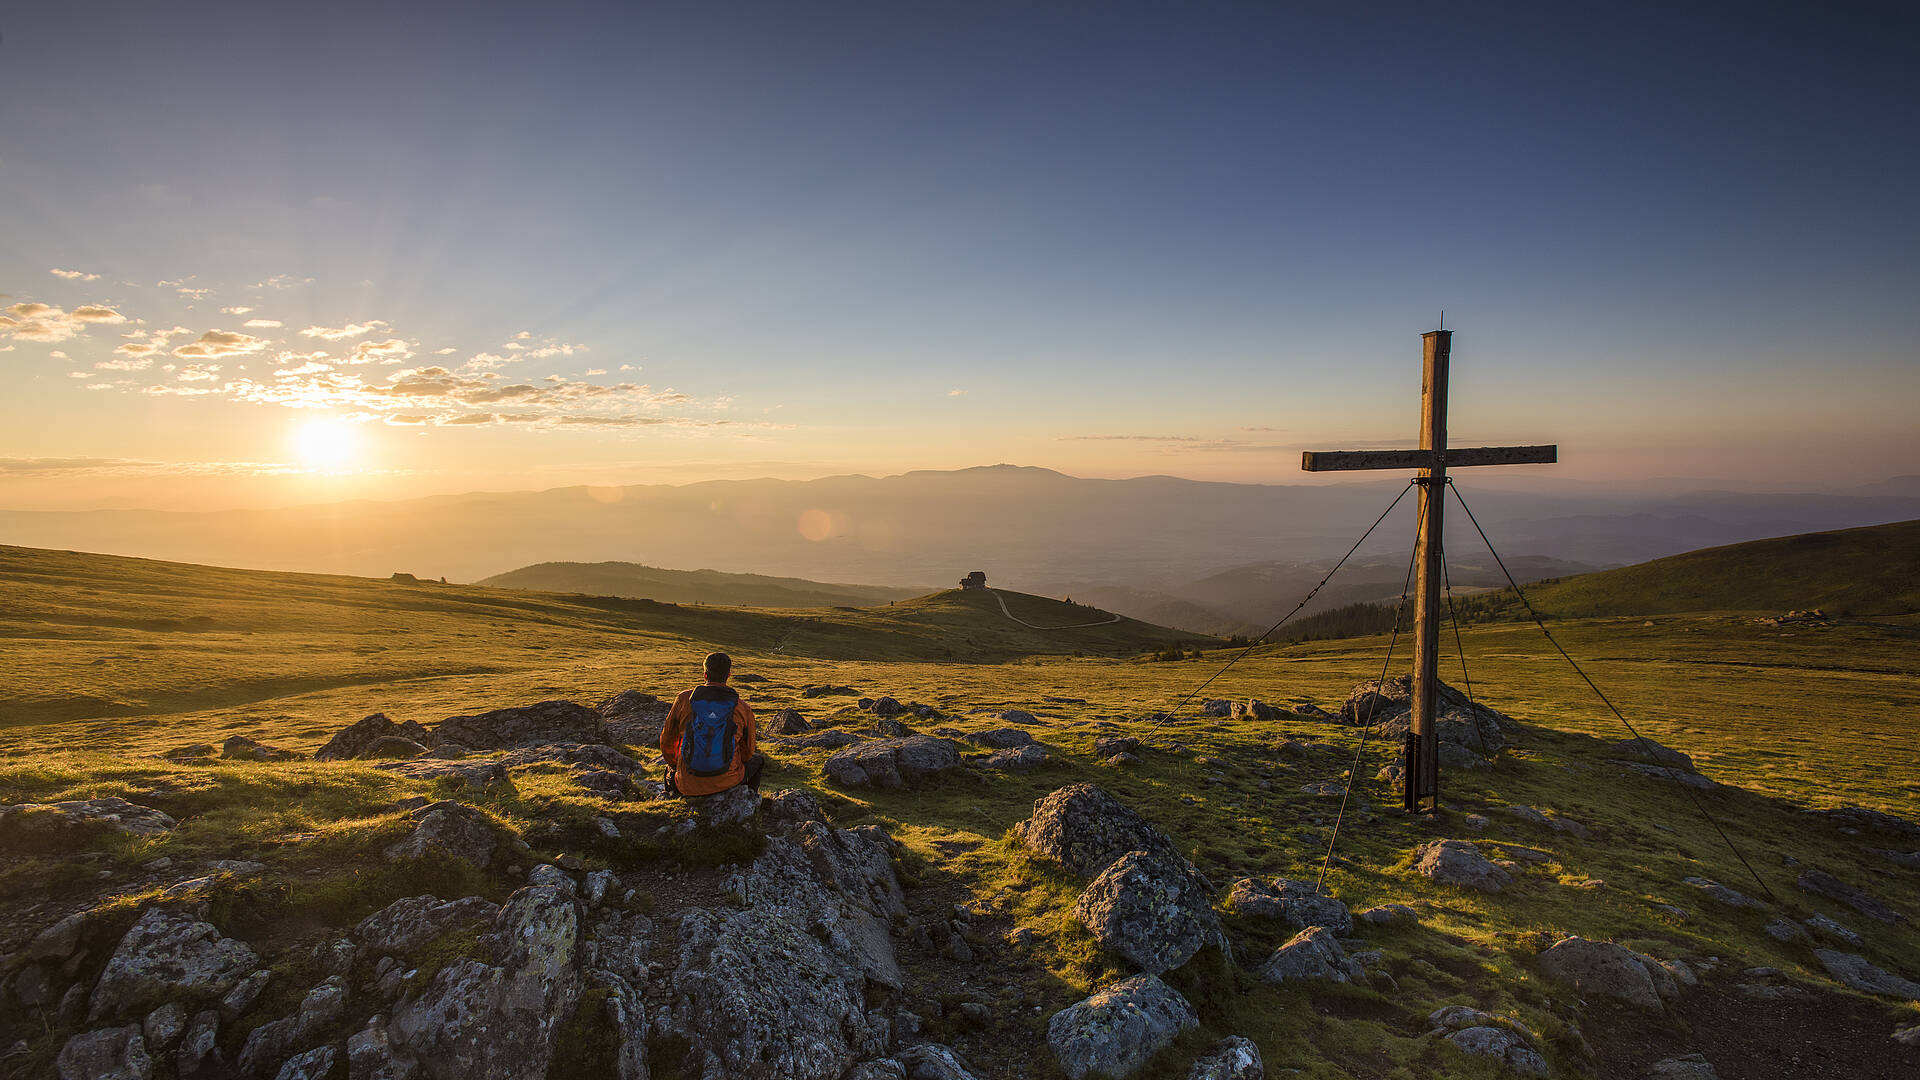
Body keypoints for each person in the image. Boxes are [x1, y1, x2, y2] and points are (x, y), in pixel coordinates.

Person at [659, 651, 763, 796]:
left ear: (705, 675)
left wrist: (677, 765)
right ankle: (746, 801)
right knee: (758, 761)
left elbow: (667, 741)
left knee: (669, 770)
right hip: (727, 781)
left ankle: (673, 800)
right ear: (728, 675)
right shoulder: (742, 707)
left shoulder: (684, 699)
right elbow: (748, 752)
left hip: (686, 784)